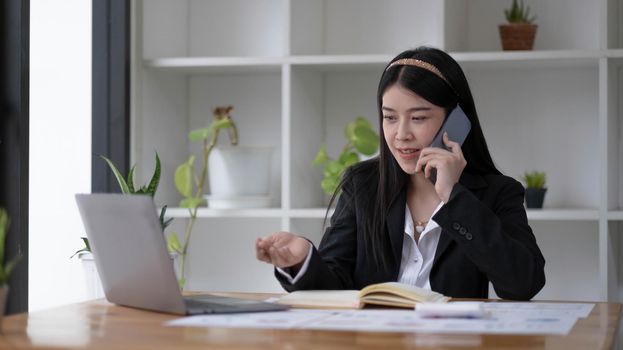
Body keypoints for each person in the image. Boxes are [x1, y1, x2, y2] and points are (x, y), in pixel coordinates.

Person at [256, 46, 545, 300]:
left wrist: (453, 196)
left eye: (418, 118)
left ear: (455, 121)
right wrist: (303, 260)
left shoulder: (497, 192)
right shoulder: (363, 185)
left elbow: (523, 284)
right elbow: (335, 286)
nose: (401, 135)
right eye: (390, 117)